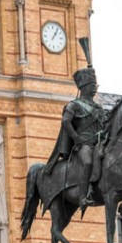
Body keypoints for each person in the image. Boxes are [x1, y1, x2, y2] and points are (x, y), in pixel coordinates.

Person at [44, 66, 106, 205]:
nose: (94, 88)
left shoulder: (98, 107)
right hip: (84, 143)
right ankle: (83, 196)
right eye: (91, 86)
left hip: (98, 143)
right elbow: (66, 122)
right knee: (88, 162)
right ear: (83, 87)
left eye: (95, 85)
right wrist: (77, 138)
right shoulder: (74, 105)